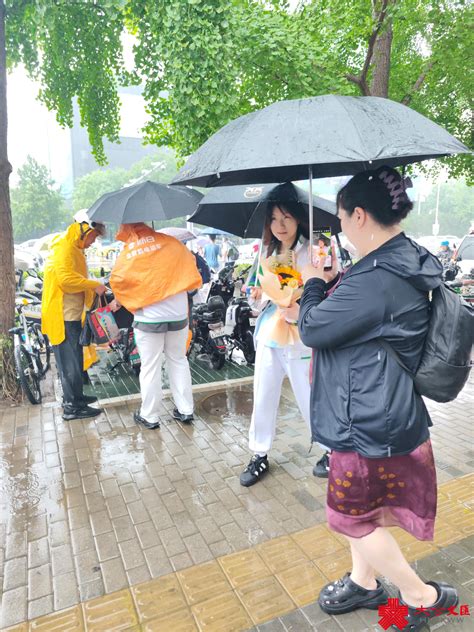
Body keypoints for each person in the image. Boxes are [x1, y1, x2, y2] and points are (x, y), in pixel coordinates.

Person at [299, 166, 457, 631]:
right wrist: (332, 280)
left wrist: (311, 282)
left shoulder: (377, 278)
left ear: (360, 216)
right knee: (365, 511)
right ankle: (364, 582)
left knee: (347, 518)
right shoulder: (399, 259)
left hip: (366, 419)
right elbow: (363, 322)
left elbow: (313, 327)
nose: (341, 229)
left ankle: (421, 596)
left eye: (342, 219)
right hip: (381, 409)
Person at [239, 201, 325, 487]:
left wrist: (301, 308)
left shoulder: (315, 250)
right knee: (263, 394)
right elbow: (260, 294)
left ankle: (331, 450)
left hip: (301, 336)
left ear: (299, 218)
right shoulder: (266, 252)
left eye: (286, 217)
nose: (280, 225)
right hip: (269, 334)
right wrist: (256, 294)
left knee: (310, 395)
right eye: (274, 218)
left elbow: (328, 290)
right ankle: (259, 453)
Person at [110, 223, 202, 430]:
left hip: (149, 317)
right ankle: (186, 409)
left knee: (150, 366)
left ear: (128, 229)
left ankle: (150, 415)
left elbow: (117, 279)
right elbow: (191, 264)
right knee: (178, 360)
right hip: (178, 313)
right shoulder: (172, 243)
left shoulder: (129, 252)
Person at [41, 218, 107, 421]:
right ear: (85, 233)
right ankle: (72, 407)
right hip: (63, 316)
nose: (94, 242)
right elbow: (66, 280)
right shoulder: (65, 248)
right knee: (69, 362)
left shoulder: (74, 248)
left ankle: (76, 398)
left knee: (75, 359)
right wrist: (93, 284)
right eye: (94, 237)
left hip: (71, 315)